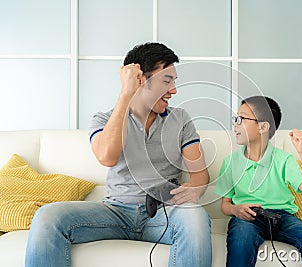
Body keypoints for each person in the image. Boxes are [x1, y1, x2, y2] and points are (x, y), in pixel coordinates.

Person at [25, 42, 212, 267]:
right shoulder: (103, 120)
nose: (173, 90)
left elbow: (200, 175)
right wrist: (126, 94)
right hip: (115, 212)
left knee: (195, 216)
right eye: (166, 81)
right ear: (140, 81)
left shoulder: (180, 119)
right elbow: (107, 157)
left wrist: (194, 190)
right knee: (47, 216)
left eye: (174, 82)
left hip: (163, 213)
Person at [214, 96, 302, 267]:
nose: (235, 124)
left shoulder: (283, 160)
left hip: (282, 217)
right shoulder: (230, 163)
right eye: (236, 118)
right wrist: (236, 209)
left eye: (242, 119)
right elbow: (225, 205)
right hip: (249, 216)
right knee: (240, 240)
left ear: (263, 126)